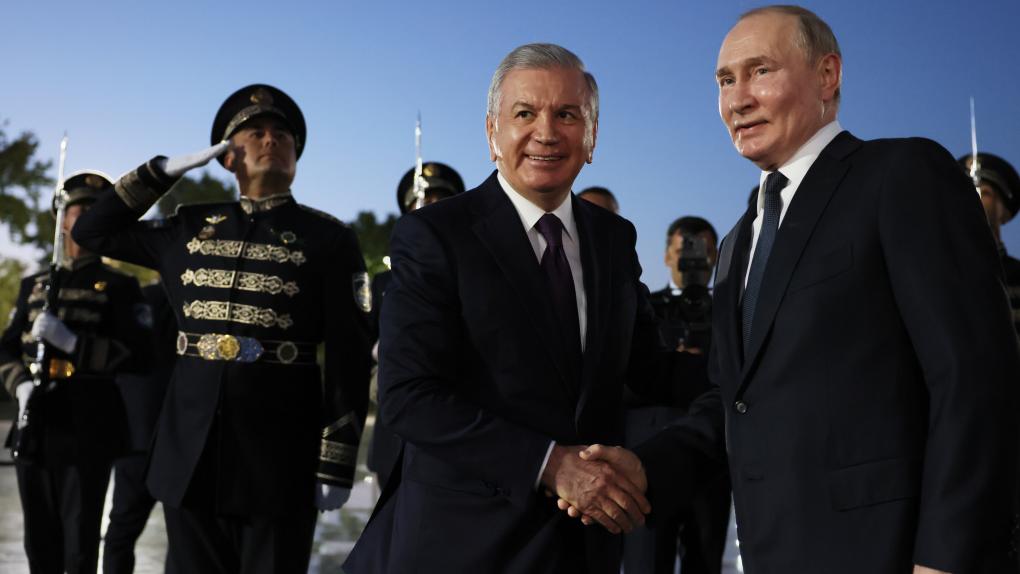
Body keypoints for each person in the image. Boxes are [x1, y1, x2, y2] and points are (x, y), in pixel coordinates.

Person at [569, 5, 1018, 573]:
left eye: (760, 71)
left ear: (827, 75)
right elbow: (733, 402)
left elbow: (973, 378)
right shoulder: (738, 241)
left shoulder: (901, 174)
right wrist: (647, 468)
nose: (737, 99)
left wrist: (946, 559)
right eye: (724, 81)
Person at [344, 43, 666, 573]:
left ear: (592, 137)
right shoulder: (434, 235)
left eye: (567, 115)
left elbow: (650, 370)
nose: (546, 132)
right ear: (492, 133)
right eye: (524, 113)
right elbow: (408, 396)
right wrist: (550, 465)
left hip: (585, 548)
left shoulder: (614, 239)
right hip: (463, 545)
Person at [71, 84, 373, 573]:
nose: (270, 140)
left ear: (296, 157)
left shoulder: (329, 239)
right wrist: (160, 172)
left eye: (282, 135)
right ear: (228, 157)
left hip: (279, 457)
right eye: (255, 133)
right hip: (189, 456)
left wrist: (335, 460)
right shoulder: (188, 227)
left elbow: (349, 357)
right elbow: (91, 231)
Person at [0, 171, 150, 574]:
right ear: (62, 220)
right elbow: (6, 348)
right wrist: (21, 386)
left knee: (79, 543)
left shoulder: (120, 286)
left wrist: (74, 345)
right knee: (38, 542)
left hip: (89, 423)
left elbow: (140, 356)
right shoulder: (34, 285)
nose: (83, 215)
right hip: (36, 422)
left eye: (93, 209)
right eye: (76, 208)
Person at [624, 216, 729, 574]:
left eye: (705, 250)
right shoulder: (640, 308)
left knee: (706, 562)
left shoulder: (732, 312)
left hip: (712, 463)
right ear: (667, 255)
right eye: (685, 249)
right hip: (644, 459)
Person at [367, 161, 465, 488]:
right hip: (394, 442)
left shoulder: (476, 277)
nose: (431, 208)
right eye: (422, 203)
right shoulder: (382, 284)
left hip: (460, 439)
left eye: (441, 201)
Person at [103, 281, 175, 574]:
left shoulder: (140, 298)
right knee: (185, 539)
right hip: (180, 436)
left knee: (121, 530)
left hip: (137, 432)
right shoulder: (200, 302)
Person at [959, 152, 1020, 333]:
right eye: (968, 192)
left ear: (1004, 210)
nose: (975, 198)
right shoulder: (939, 271)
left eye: (985, 192)